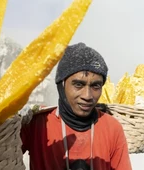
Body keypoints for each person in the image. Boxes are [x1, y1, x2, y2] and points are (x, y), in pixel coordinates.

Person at [20, 42, 132, 170]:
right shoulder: (37, 125)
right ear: (61, 85)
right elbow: (1, 157)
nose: (88, 96)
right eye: (78, 84)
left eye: (96, 86)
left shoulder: (112, 128)